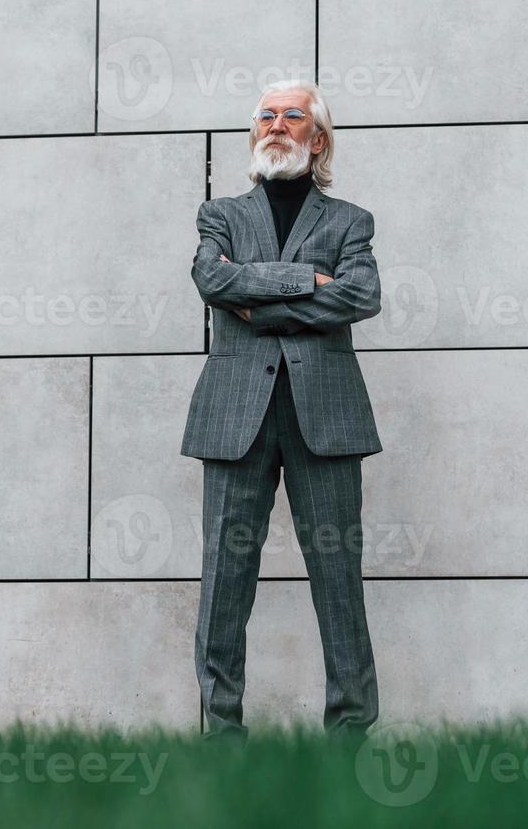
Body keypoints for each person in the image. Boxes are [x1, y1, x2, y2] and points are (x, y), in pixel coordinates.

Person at [180, 78, 384, 743]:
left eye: (292, 116)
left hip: (325, 418)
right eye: (265, 116)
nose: (275, 125)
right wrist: (306, 283)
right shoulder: (220, 217)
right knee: (223, 584)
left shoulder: (351, 220)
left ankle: (350, 738)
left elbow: (360, 296)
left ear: (317, 138)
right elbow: (213, 280)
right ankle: (221, 739)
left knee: (338, 583)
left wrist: (258, 297)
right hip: (233, 417)